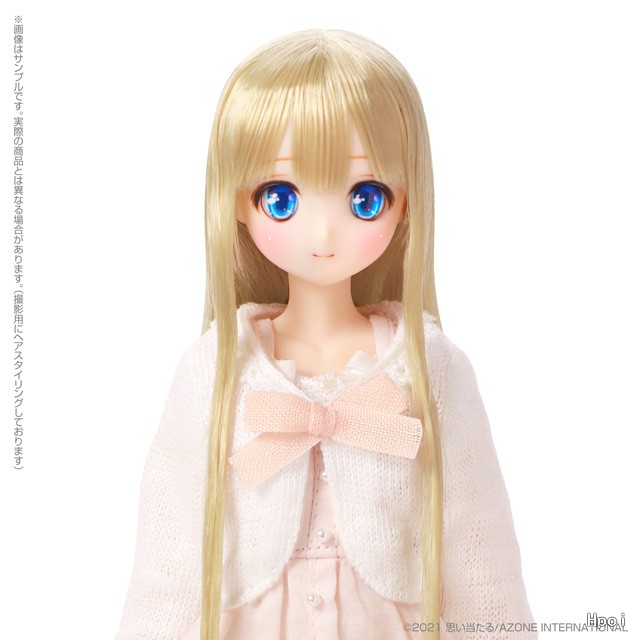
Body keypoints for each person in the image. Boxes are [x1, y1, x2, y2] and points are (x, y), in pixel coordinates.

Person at [115, 29, 537, 640]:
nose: (322, 233)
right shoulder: (215, 370)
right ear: (238, 202)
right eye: (280, 197)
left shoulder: (430, 369)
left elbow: (480, 557)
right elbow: (169, 566)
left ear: (407, 202)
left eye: (364, 198)